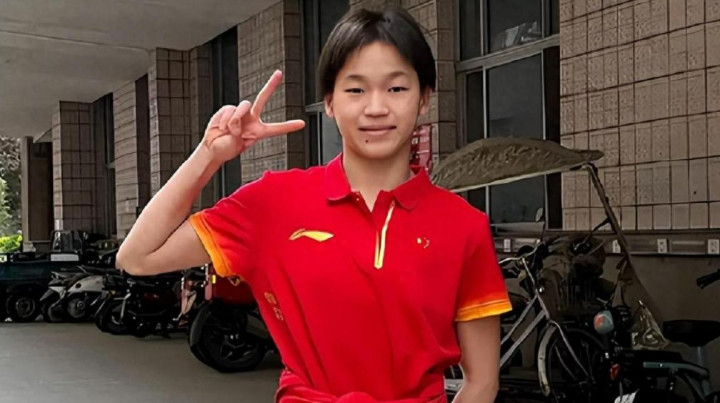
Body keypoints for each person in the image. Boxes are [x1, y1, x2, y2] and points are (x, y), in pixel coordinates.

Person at [117, 6, 511, 403]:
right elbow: (138, 257)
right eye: (355, 90)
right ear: (329, 102)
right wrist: (209, 155)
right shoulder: (273, 203)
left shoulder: (463, 226)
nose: (376, 107)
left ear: (424, 98)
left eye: (396, 88)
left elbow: (481, 382)